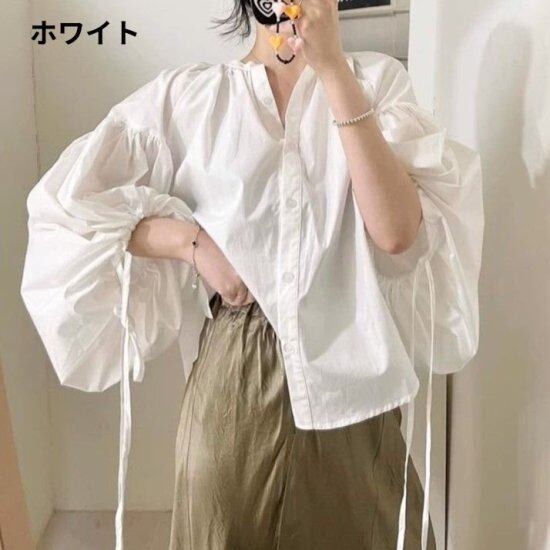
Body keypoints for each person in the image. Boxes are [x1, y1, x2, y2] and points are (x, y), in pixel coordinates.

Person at [20, 0, 484, 549]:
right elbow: (66, 211)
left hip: (354, 382)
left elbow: (396, 232)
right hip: (235, 376)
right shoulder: (191, 98)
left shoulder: (374, 84)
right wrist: (191, 243)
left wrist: (332, 68)